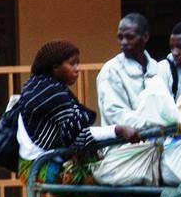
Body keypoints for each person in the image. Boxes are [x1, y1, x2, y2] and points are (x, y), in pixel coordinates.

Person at [17, 40, 140, 184]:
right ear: (55, 66)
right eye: (72, 63)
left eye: (77, 63)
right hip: (39, 166)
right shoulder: (52, 94)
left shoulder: (37, 86)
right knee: (105, 183)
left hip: (35, 162)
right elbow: (78, 137)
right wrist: (118, 129)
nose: (77, 69)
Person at [96, 13, 159, 126]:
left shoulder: (156, 68)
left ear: (145, 37)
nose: (123, 42)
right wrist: (155, 123)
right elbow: (116, 115)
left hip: (157, 139)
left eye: (130, 37)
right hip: (123, 142)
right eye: (120, 37)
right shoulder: (111, 70)